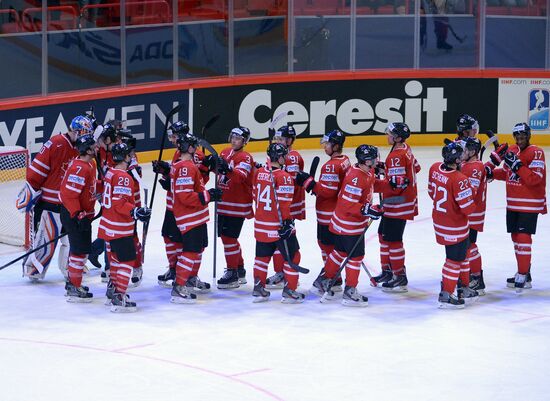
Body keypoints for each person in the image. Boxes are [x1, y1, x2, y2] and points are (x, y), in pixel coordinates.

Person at [17, 115, 89, 281]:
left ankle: (71, 269)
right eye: (84, 133)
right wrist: (32, 192)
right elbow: (35, 172)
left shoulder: (82, 149)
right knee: (45, 240)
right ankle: (33, 269)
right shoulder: (56, 143)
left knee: (72, 240)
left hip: (70, 204)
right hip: (49, 203)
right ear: (77, 131)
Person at [310, 145, 384, 307]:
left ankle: (323, 280)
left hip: (342, 223)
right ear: (367, 160)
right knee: (355, 257)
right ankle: (350, 291)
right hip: (349, 225)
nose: (377, 161)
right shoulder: (356, 177)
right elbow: (347, 204)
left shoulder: (365, 171)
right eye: (374, 158)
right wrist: (367, 209)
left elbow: (371, 185)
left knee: (339, 253)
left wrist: (390, 183)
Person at [486, 123, 546, 293]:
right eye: (517, 137)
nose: (519, 140)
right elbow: (507, 173)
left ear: (528, 136)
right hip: (512, 202)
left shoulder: (536, 152)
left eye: (522, 137)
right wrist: (492, 174)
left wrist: (517, 165)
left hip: (529, 203)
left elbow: (535, 179)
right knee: (515, 237)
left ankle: (522, 273)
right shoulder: (513, 150)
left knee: (523, 237)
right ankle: (525, 273)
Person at [98, 143, 151, 312]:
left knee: (114, 260)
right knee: (127, 261)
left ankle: (113, 292)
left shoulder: (110, 172)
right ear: (126, 157)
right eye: (130, 154)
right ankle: (119, 297)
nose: (132, 157)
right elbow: (119, 203)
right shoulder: (123, 177)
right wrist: (135, 211)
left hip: (108, 225)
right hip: (119, 227)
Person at [170, 130, 222, 304]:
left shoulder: (185, 165)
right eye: (194, 146)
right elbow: (184, 196)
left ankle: (190, 278)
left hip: (197, 215)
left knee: (198, 249)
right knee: (191, 251)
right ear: (190, 148)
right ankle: (179, 286)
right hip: (189, 216)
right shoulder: (185, 167)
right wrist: (208, 196)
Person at [296, 130, 351, 292]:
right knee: (330, 245)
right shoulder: (344, 160)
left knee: (326, 245)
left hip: (328, 213)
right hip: (337, 211)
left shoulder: (331, 166)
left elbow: (327, 191)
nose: (324, 147)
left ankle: (332, 276)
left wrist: (309, 183)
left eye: (327, 144)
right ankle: (334, 274)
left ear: (335, 146)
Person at [251, 143, 305, 303]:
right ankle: (289, 291)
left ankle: (258, 289)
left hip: (261, 224)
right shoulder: (284, 176)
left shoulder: (259, 172)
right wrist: (288, 223)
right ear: (280, 158)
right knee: (294, 256)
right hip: (278, 226)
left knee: (261, 258)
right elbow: (284, 205)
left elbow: (255, 194)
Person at [428, 142, 478, 309]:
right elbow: (468, 208)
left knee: (462, 256)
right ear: (456, 160)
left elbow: (430, 192)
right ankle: (447, 295)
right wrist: (471, 191)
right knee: (454, 260)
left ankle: (463, 288)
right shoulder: (460, 179)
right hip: (455, 226)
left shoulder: (435, 168)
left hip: (440, 222)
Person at [372, 122, 419, 293]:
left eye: (390, 134)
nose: (387, 136)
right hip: (399, 202)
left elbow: (396, 185)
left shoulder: (396, 155)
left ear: (397, 137)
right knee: (383, 235)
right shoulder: (405, 149)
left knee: (393, 240)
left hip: (398, 203)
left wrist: (373, 182)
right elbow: (415, 169)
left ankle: (399, 276)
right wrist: (385, 168)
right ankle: (387, 271)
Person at [153, 121, 195, 288]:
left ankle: (185, 272)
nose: (172, 139)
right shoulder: (178, 152)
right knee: (167, 236)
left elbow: (190, 180)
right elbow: (175, 174)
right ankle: (173, 268)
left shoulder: (192, 154)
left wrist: (170, 179)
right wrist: (165, 170)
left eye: (175, 136)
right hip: (172, 204)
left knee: (181, 241)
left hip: (182, 207)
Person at [58, 133, 98, 302]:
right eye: (94, 146)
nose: (97, 148)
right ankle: (74, 286)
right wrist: (78, 214)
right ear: (87, 150)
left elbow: (89, 187)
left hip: (80, 214)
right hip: (74, 215)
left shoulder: (86, 165)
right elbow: (68, 195)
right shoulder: (80, 167)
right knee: (79, 251)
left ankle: (73, 283)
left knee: (80, 251)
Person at [266, 125, 306, 289]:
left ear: (289, 140)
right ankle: (280, 271)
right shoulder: (280, 155)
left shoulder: (293, 156)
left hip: (289, 204)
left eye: (282, 139)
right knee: (277, 240)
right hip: (279, 204)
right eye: (277, 139)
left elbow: (292, 180)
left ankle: (284, 272)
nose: (279, 142)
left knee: (285, 238)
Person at [215, 127, 255, 289]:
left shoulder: (245, 157)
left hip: (237, 204)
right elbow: (218, 172)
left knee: (228, 238)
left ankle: (232, 273)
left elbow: (240, 177)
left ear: (244, 142)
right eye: (233, 137)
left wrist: (227, 169)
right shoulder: (225, 152)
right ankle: (239, 269)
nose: (234, 140)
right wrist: (210, 165)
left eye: (238, 138)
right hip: (223, 202)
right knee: (228, 238)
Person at [459, 137, 489, 295]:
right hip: (468, 212)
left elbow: (471, 192)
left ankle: (477, 278)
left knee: (469, 245)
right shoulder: (469, 165)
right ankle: (471, 274)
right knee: (466, 245)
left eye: (464, 150)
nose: (461, 153)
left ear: (472, 152)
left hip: (472, 213)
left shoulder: (474, 167)